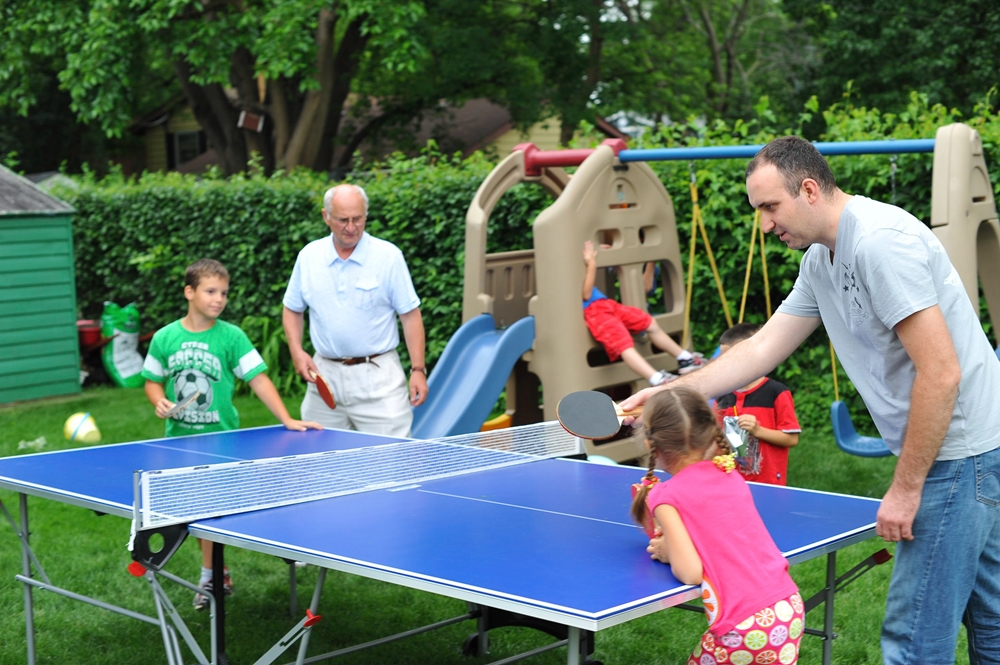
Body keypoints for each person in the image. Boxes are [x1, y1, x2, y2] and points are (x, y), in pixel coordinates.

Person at [621, 135, 1000, 664]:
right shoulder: (822, 261)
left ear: (808, 189)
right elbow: (759, 350)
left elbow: (941, 372)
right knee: (991, 622)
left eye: (770, 207)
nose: (766, 223)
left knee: (914, 638)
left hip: (959, 457)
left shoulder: (879, 243)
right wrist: (667, 392)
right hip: (970, 452)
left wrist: (906, 488)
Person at [142, 258, 321, 610]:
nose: (219, 299)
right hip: (179, 442)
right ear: (189, 292)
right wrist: (159, 401)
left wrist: (287, 418)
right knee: (193, 512)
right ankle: (214, 571)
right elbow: (152, 382)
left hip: (221, 441)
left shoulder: (231, 336)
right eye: (211, 291)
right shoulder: (165, 337)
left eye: (223, 292)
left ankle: (211, 574)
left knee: (212, 511)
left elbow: (257, 378)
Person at [631, 387, 804, 665]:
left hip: (744, 625)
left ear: (652, 445)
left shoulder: (664, 496)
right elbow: (718, 528)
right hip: (788, 607)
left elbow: (689, 572)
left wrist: (668, 552)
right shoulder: (729, 472)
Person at [282, 183, 428, 436]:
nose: (351, 228)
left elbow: (410, 315)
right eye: (343, 220)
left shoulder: (389, 256)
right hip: (323, 377)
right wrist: (296, 351)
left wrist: (418, 370)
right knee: (320, 464)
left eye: (358, 219)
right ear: (325, 216)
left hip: (379, 380)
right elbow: (292, 309)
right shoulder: (308, 257)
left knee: (390, 465)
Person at [582, 240, 704, 385]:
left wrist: (600, 249)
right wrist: (592, 262)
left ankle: (685, 359)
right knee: (623, 343)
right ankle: (658, 379)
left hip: (605, 304)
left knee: (648, 322)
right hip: (594, 312)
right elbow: (586, 294)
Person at [715, 322, 801, 485]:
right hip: (730, 483)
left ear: (752, 356)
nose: (723, 363)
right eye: (721, 358)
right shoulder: (722, 395)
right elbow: (714, 438)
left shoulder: (776, 392)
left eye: (729, 357)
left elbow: (791, 439)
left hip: (768, 484)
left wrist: (758, 430)